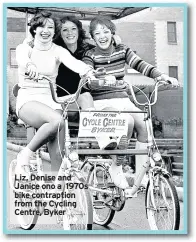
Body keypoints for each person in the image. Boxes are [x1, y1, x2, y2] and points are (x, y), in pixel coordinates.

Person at [82, 17, 179, 190]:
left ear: (112, 33)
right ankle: (116, 167)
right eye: (97, 33)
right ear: (93, 37)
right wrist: (102, 79)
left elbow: (141, 64)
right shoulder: (90, 55)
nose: (102, 36)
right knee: (126, 121)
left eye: (106, 31)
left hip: (123, 99)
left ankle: (141, 176)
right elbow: (87, 78)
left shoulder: (122, 50)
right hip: (102, 102)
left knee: (144, 124)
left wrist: (162, 76)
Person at [15, 11, 94, 178]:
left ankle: (56, 196)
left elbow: (74, 63)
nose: (46, 30)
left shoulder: (58, 50)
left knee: (58, 154)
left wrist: (88, 71)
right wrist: (30, 66)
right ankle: (26, 154)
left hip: (50, 99)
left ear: (54, 31)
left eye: (50, 27)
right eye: (41, 26)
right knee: (57, 120)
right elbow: (22, 59)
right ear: (34, 29)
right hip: (29, 98)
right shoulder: (25, 48)